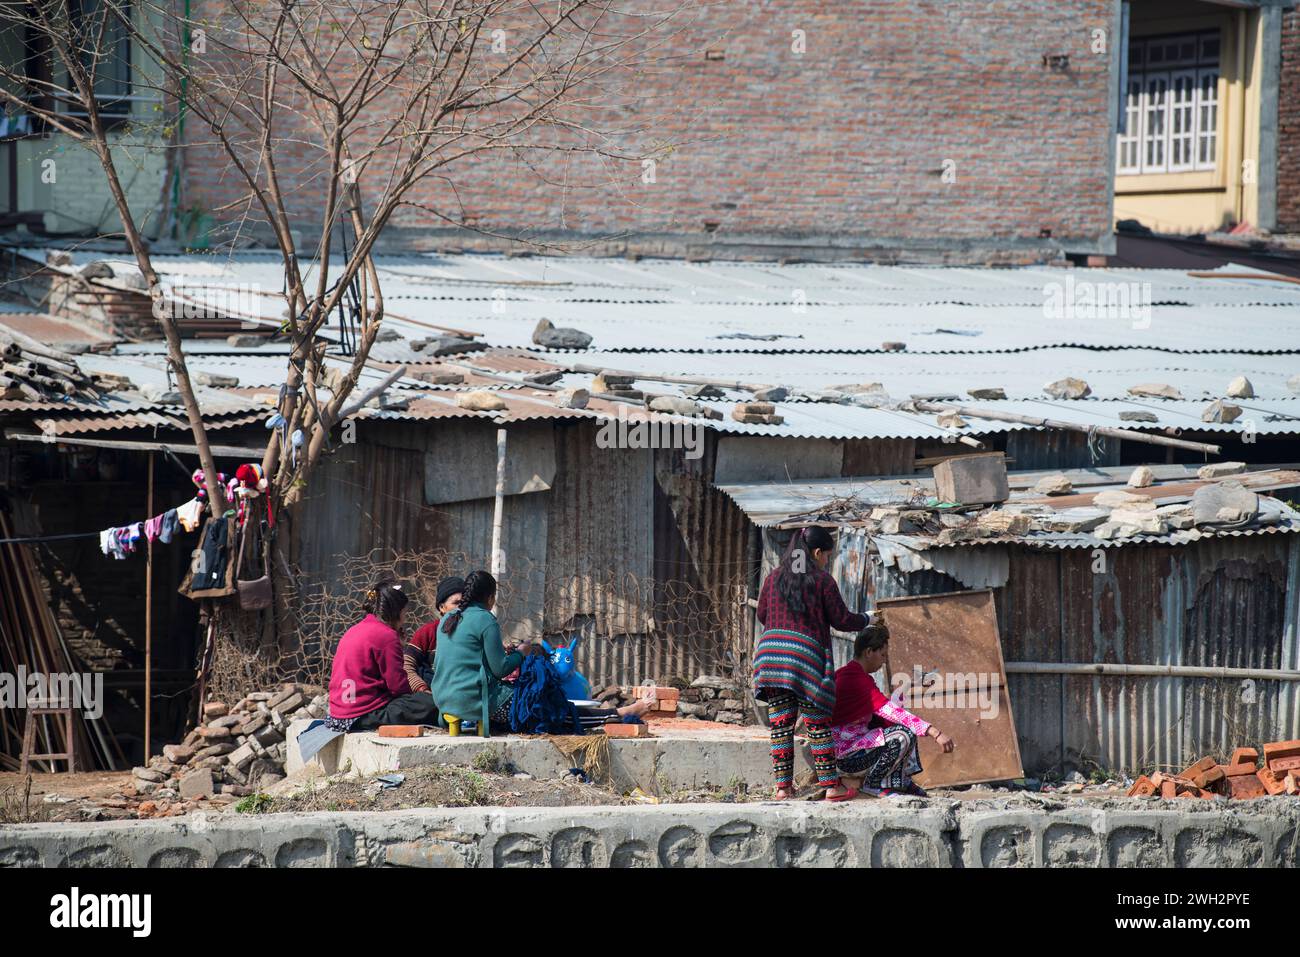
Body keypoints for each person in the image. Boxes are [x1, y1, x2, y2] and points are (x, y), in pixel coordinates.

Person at [429, 570, 658, 734]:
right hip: (473, 700)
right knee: (550, 712)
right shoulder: (485, 619)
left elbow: (469, 657)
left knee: (537, 707)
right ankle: (622, 712)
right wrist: (522, 652)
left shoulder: (447, 619)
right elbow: (499, 670)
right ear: (490, 598)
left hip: (444, 699)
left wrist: (507, 652)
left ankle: (619, 712)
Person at [753, 525, 867, 801]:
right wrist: (867, 618)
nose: (827, 560)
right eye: (827, 555)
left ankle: (783, 788)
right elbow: (842, 620)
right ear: (816, 553)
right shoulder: (822, 581)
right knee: (817, 723)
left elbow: (762, 615)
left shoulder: (774, 578)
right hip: (805, 662)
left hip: (771, 658)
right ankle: (832, 786)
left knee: (781, 725)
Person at [830, 624, 955, 797]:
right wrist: (935, 732)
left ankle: (901, 781)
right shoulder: (855, 679)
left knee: (901, 725)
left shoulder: (853, 675)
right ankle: (873, 784)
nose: (884, 661)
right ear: (868, 652)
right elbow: (891, 711)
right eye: (882, 655)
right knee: (903, 733)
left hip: (855, 747)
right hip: (846, 757)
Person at [326, 578, 439, 732]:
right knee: (429, 704)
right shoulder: (387, 635)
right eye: (404, 613)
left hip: (339, 715)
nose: (405, 619)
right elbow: (398, 686)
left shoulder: (354, 630)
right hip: (363, 715)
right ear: (396, 612)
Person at [403, 575, 464, 695]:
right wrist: (422, 690)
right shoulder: (428, 632)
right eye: (456, 603)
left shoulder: (473, 631)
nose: (461, 608)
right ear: (442, 607)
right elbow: (407, 665)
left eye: (464, 603)